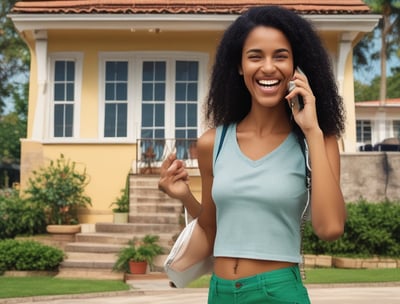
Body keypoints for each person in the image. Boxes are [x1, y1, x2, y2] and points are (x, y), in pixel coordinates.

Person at [159, 5, 346, 303]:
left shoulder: (318, 141)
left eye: (281, 56)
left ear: (297, 67)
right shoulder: (213, 143)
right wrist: (183, 196)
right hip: (219, 292)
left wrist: (312, 130)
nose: (268, 67)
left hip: (279, 291)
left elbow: (331, 228)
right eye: (255, 56)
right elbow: (211, 228)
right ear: (239, 66)